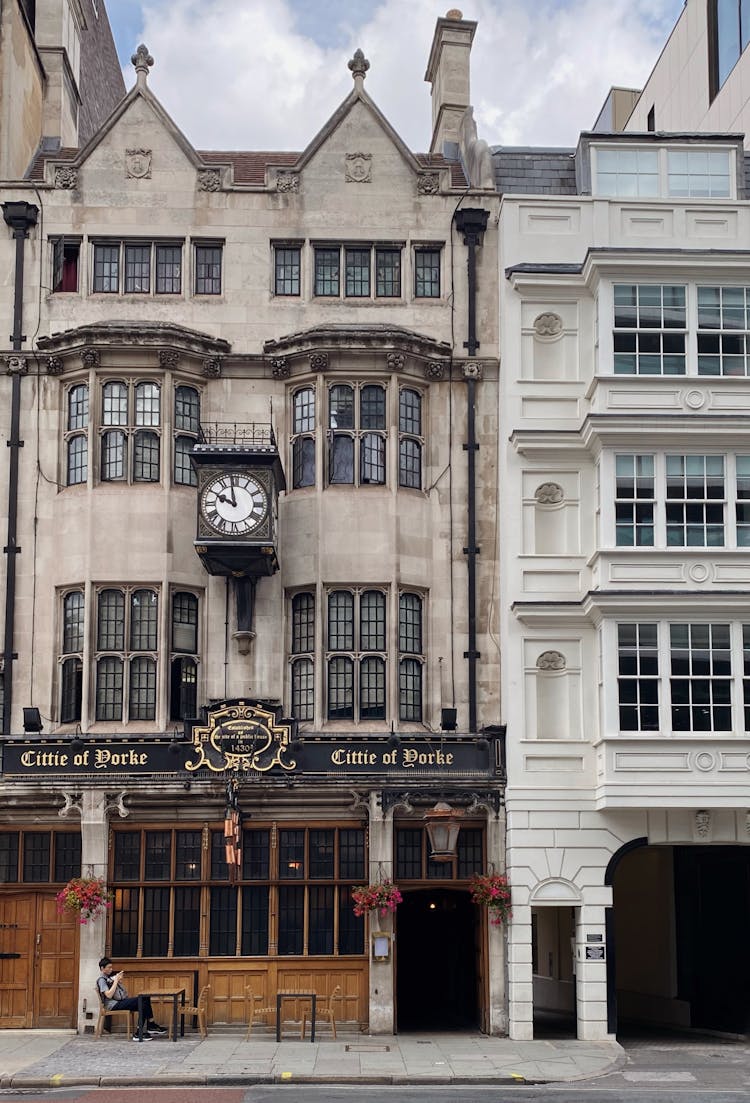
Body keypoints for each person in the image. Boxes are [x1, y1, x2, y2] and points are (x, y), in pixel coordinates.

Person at [97, 956, 168, 1040]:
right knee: (142, 999)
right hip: (113, 1005)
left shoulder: (109, 978)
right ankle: (143, 1030)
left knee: (145, 999)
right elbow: (108, 995)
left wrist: (118, 981)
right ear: (102, 968)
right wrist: (116, 981)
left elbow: (122, 994)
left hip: (120, 1002)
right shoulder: (101, 980)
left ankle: (148, 1026)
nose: (111, 969)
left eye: (111, 967)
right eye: (109, 967)